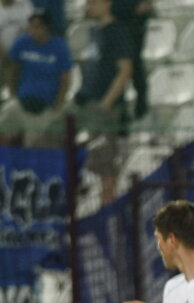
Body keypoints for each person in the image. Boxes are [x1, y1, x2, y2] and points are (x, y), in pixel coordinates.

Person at [73, 0, 134, 204]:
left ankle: (108, 209)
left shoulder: (117, 32)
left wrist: (106, 104)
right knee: (98, 163)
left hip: (106, 110)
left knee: (107, 165)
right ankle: (101, 206)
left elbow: (125, 70)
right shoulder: (94, 32)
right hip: (91, 105)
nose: (89, 6)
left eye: (93, 2)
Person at [0, 10, 72, 147]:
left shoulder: (60, 48)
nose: (33, 30)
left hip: (45, 107)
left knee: (34, 144)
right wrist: (12, 94)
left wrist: (58, 103)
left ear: (47, 27)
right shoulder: (22, 43)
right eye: (31, 25)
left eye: (38, 26)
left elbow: (66, 79)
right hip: (20, 103)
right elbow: (13, 70)